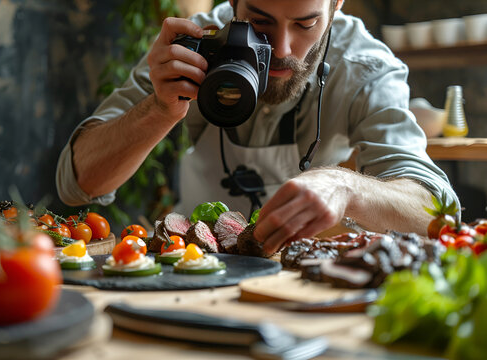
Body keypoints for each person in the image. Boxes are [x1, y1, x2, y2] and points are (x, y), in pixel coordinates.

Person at [56, 0, 459, 254]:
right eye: (260, 22)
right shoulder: (197, 44)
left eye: (305, 24)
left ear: (337, 5)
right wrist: (158, 110)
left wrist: (346, 186)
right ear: (234, 3)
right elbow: (76, 185)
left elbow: (437, 214)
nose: (282, 51)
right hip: (194, 266)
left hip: (299, 286)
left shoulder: (366, 69)